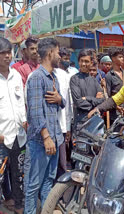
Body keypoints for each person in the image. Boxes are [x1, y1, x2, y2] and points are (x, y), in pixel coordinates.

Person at [24, 38, 65, 214]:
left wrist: (59, 99)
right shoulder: (36, 78)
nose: (60, 57)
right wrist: (46, 137)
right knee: (33, 186)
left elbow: (61, 103)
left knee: (49, 182)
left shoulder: (53, 77)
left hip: (55, 139)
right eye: (57, 53)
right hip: (41, 142)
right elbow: (34, 112)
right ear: (50, 53)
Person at [0, 38, 27, 214]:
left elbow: (21, 103)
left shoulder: (16, 75)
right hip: (1, 136)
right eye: (3, 53)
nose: (7, 56)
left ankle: (18, 205)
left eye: (9, 52)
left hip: (19, 134)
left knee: (18, 174)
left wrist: (25, 121)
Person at [70, 49, 105, 133]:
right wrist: (94, 103)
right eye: (81, 61)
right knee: (81, 145)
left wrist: (87, 98)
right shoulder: (74, 79)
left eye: (86, 61)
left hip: (94, 121)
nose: (83, 64)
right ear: (78, 62)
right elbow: (78, 102)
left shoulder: (94, 81)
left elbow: (102, 100)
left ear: (91, 63)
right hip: (80, 121)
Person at [53, 48, 74, 177]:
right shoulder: (36, 76)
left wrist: (68, 128)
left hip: (62, 127)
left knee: (61, 164)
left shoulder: (64, 76)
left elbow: (68, 104)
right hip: (46, 129)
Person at [105, 47, 124, 124]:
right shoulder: (109, 76)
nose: (122, 59)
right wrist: (117, 107)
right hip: (115, 114)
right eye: (120, 57)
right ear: (113, 59)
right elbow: (107, 96)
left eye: (122, 57)